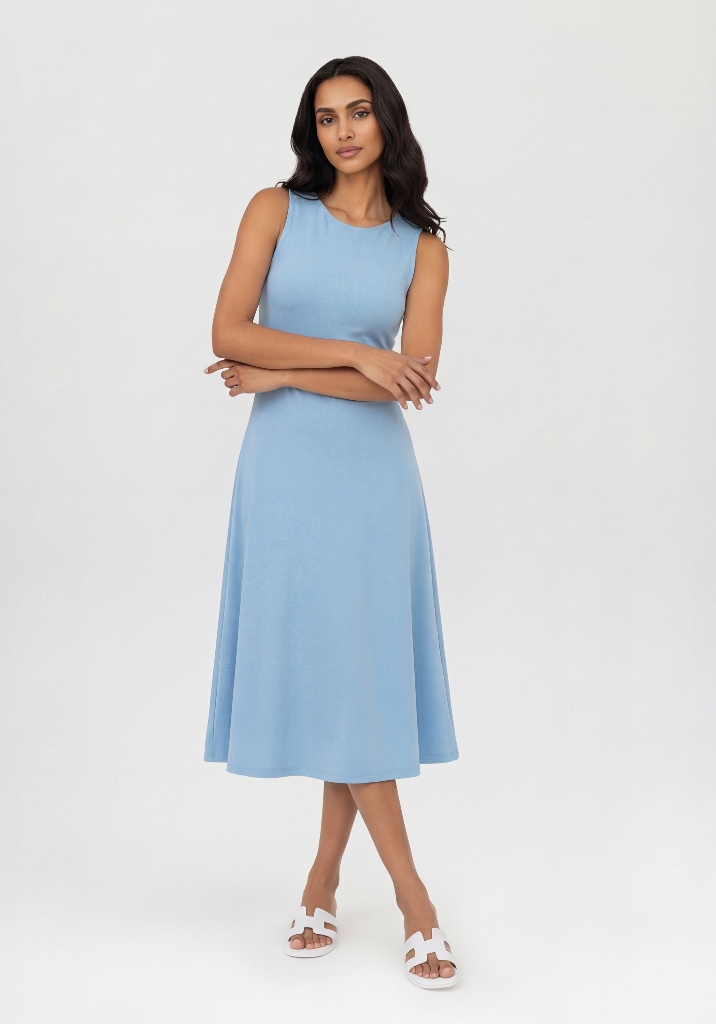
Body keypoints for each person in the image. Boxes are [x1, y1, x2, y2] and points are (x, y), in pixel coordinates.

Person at [202, 56, 459, 990]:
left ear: (386, 121)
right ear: (311, 131)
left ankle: (364, 888)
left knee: (358, 676)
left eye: (357, 113)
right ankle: (383, 892)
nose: (343, 131)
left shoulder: (423, 248)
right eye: (325, 117)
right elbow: (229, 332)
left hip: (372, 482)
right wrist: (353, 356)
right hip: (285, 475)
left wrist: (283, 373)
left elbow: (410, 381)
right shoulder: (275, 209)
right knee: (333, 673)